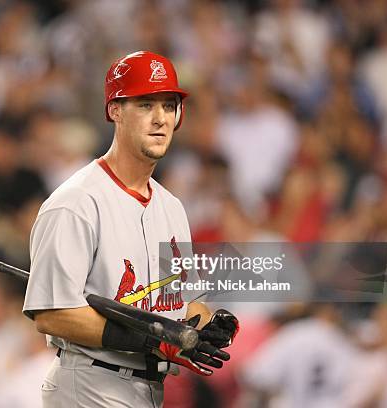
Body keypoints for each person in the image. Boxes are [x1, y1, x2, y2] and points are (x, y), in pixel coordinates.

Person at [23, 50, 239, 408]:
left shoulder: (171, 207)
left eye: (168, 106)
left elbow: (184, 305)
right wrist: (150, 341)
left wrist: (208, 326)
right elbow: (52, 313)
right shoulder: (76, 202)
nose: (160, 119)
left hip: (149, 388)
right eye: (144, 105)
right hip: (91, 383)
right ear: (115, 110)